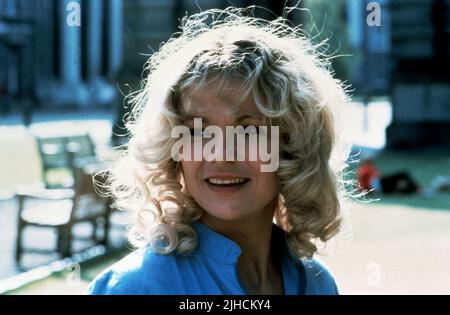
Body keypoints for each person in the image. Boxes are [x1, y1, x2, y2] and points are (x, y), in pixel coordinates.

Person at [88, 7, 351, 295]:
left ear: (294, 145)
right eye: (199, 132)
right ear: (174, 153)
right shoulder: (138, 287)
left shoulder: (317, 285)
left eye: (249, 131)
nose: (222, 155)